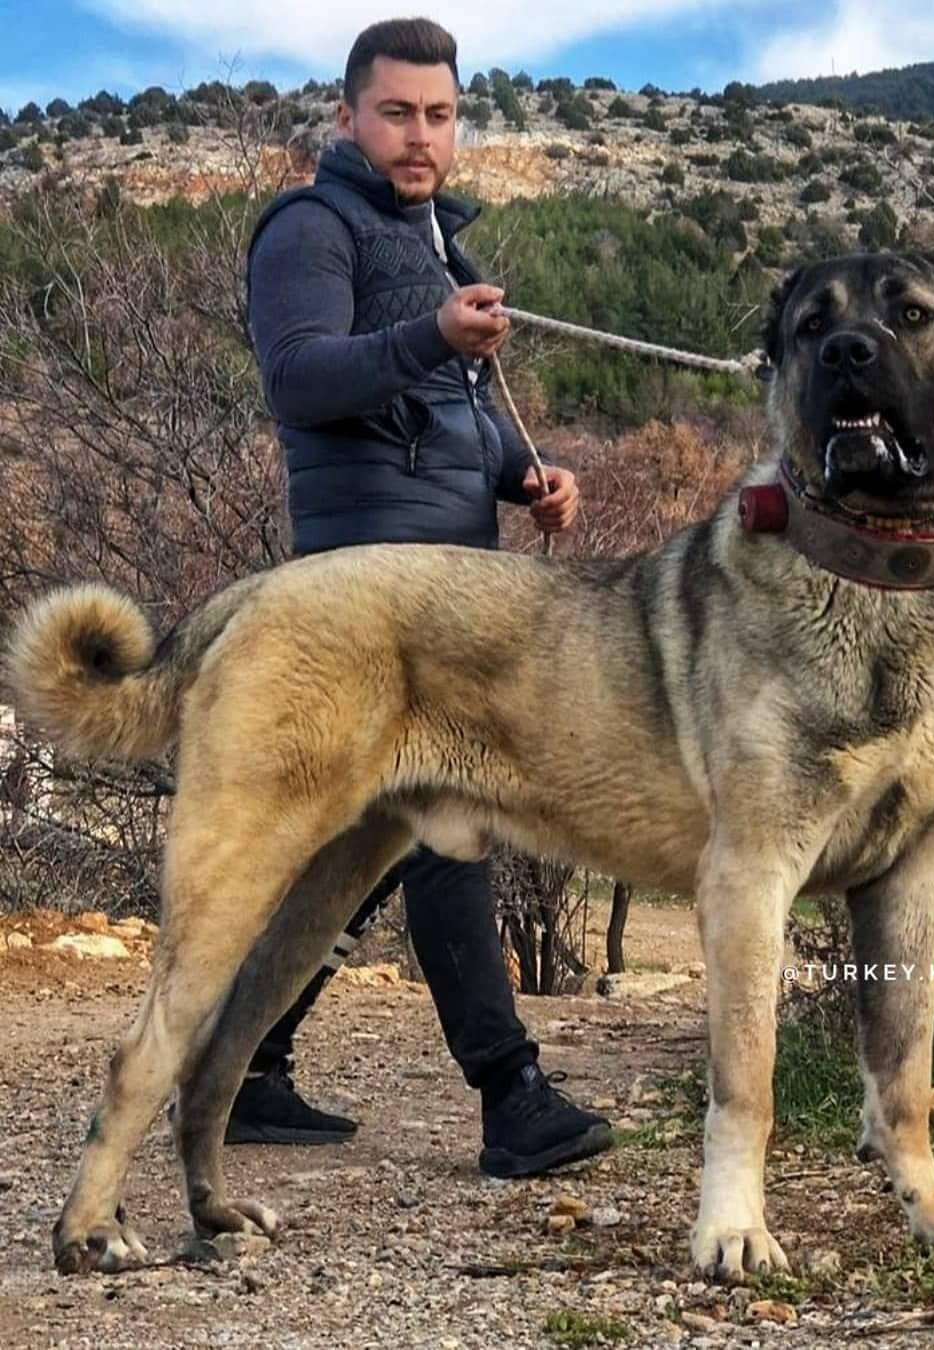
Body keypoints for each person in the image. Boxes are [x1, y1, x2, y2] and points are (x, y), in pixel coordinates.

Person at [239, 16, 612, 1178]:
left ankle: (244, 1068)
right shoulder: (310, 226)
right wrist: (426, 332)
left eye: (439, 114)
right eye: (397, 111)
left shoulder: (434, 240)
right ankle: (513, 1098)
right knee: (449, 821)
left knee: (361, 848)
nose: (419, 135)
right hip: (365, 595)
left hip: (443, 585)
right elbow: (299, 376)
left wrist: (528, 477)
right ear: (348, 116)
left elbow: (453, 422)